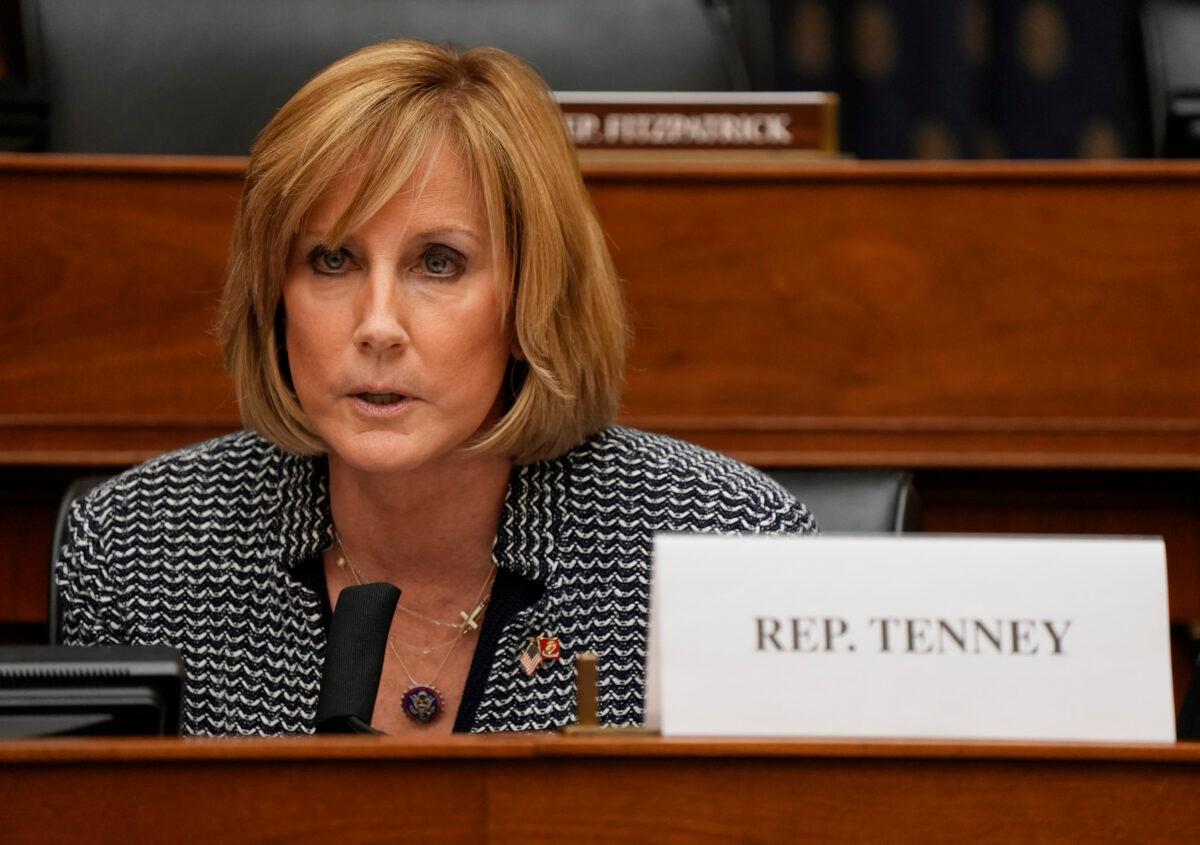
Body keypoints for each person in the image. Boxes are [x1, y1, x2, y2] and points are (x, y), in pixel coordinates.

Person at [57, 39, 817, 737]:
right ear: (273, 297)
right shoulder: (135, 554)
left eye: (438, 263)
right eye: (331, 260)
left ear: (529, 300)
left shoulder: (721, 547)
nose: (378, 324)